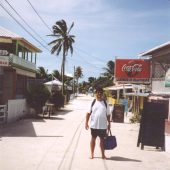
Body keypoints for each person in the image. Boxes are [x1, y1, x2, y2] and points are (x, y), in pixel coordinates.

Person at [85, 87, 111, 159]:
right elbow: (88, 113)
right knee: (93, 139)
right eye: (98, 92)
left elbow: (108, 114)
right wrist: (86, 123)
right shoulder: (92, 102)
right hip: (94, 125)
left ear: (102, 93)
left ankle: (103, 155)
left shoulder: (105, 103)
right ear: (96, 93)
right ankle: (92, 154)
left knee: (102, 141)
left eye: (101, 92)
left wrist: (109, 123)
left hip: (103, 126)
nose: (99, 93)